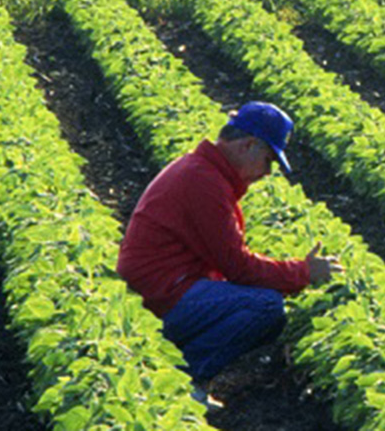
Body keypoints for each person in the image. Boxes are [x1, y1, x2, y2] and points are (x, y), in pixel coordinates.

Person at [116, 101, 345, 411]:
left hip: (163, 290)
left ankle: (176, 370)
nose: (267, 173)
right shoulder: (203, 182)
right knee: (265, 306)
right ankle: (182, 380)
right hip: (160, 297)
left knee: (260, 305)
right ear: (247, 145)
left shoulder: (202, 172)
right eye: (268, 161)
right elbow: (238, 267)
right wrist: (302, 272)